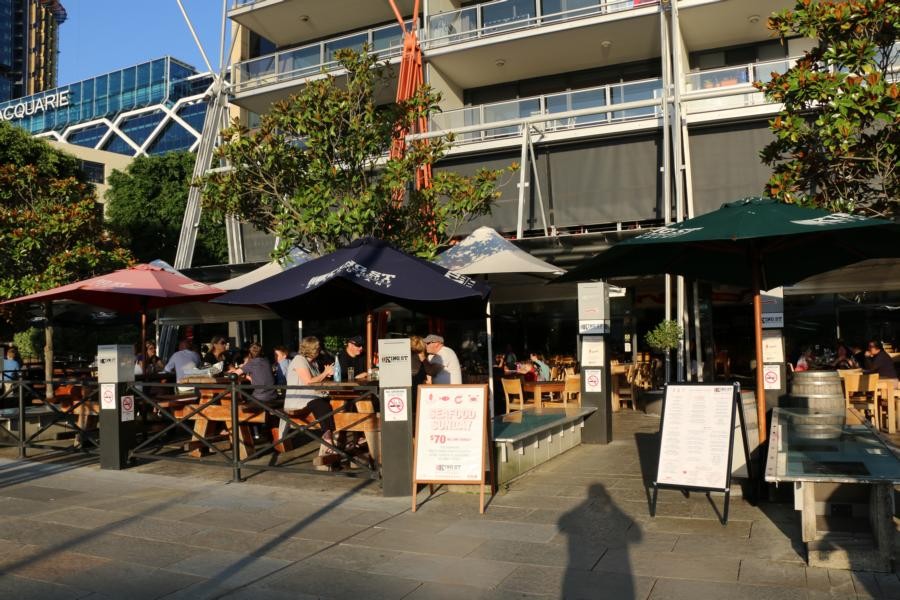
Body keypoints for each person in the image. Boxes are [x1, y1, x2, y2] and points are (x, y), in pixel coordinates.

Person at [284, 337, 336, 465]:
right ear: (313, 349)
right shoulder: (299, 360)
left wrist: (326, 376)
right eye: (318, 348)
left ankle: (341, 437)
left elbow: (317, 381)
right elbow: (309, 382)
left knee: (335, 402)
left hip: (311, 397)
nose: (320, 351)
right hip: (299, 400)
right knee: (322, 405)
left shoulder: (314, 363)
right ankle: (328, 438)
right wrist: (325, 373)